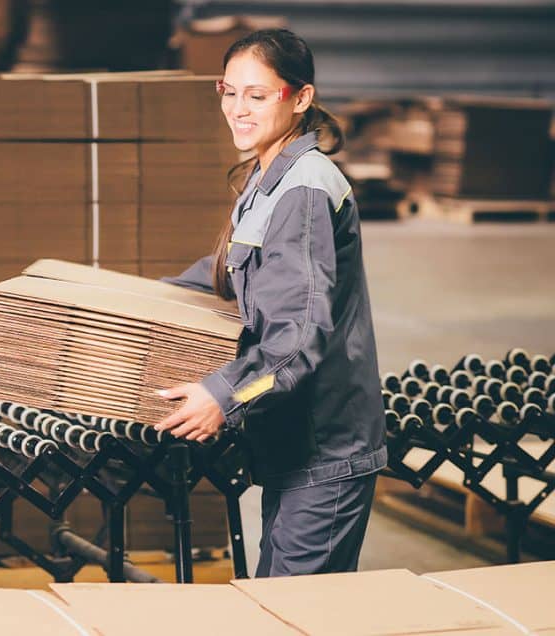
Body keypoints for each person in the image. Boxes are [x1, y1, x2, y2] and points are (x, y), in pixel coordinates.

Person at [155, 28, 386, 577]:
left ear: (300, 98)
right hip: (292, 443)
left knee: (295, 610)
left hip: (326, 448)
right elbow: (230, 277)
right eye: (228, 92)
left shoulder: (304, 188)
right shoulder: (266, 178)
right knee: (277, 600)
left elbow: (299, 338)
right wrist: (131, 302)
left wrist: (223, 395)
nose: (238, 109)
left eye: (257, 96)